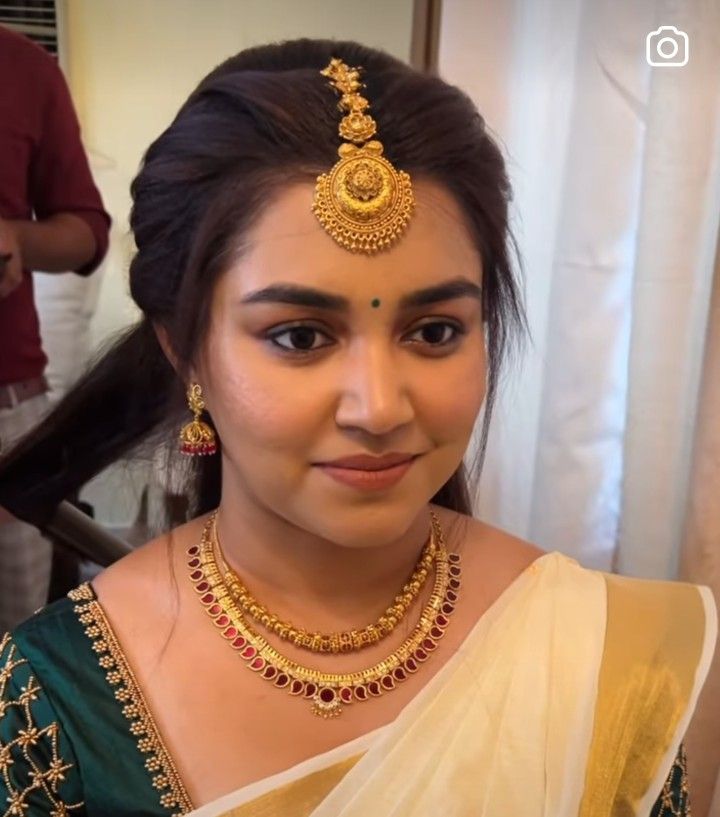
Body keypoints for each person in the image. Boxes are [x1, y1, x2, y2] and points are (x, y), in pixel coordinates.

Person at [0, 39, 714, 817]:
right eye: (301, 336)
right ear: (186, 351)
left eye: (436, 331)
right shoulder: (52, 696)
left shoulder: (617, 655)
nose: (378, 408)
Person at [0, 24, 111, 632]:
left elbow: (87, 231)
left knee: (12, 645)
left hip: (6, 406)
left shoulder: (26, 69)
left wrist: (16, 237)